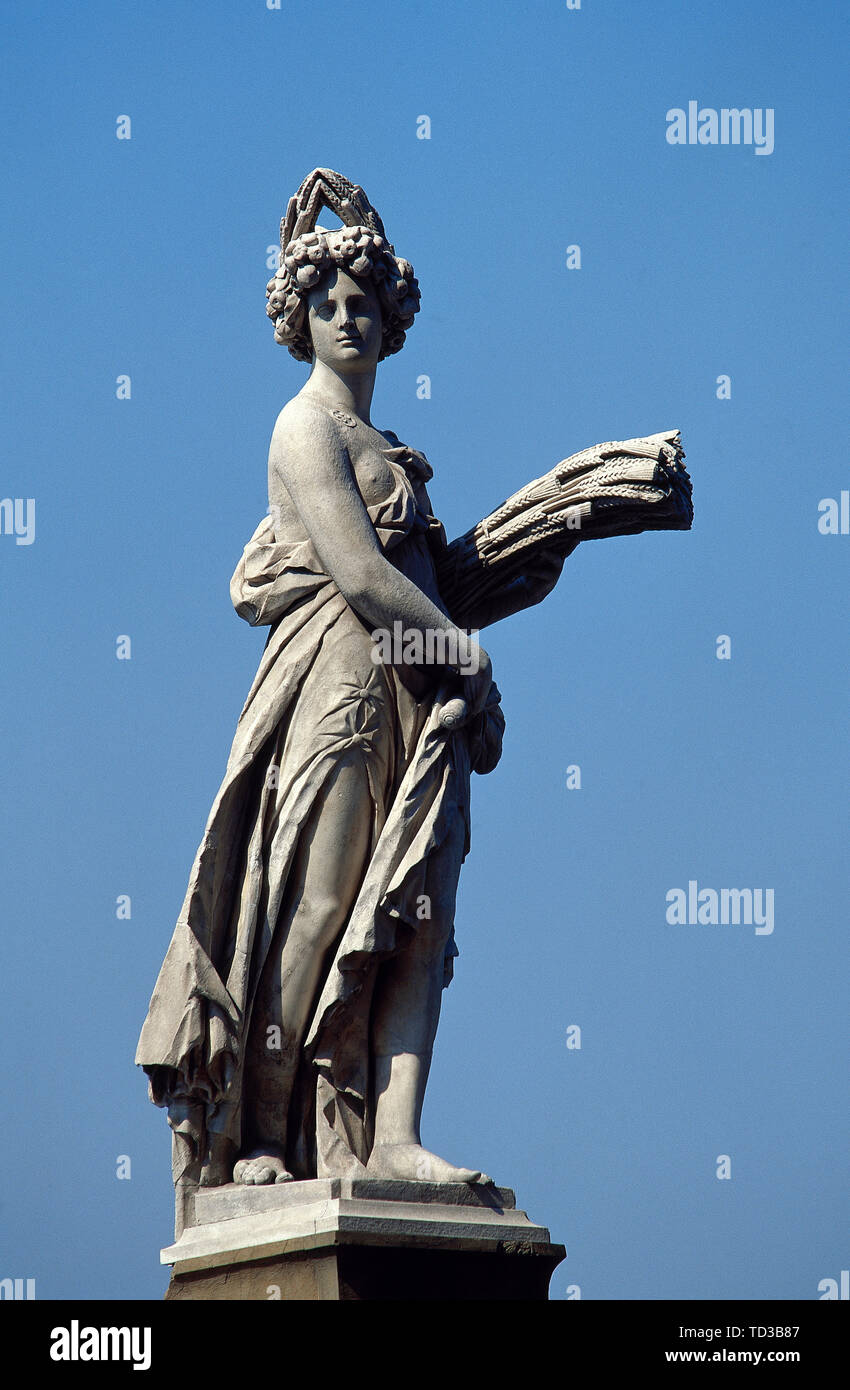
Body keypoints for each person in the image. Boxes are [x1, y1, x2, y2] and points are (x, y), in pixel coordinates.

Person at [136, 170, 564, 1199]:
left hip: (420, 699)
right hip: (337, 690)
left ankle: (394, 1137)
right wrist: (466, 650)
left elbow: (417, 578)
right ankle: (262, 1133)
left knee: (415, 914)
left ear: (391, 319)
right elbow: (362, 574)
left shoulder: (392, 450)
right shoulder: (303, 427)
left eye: (362, 304)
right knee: (320, 904)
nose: (346, 318)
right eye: (326, 305)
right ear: (299, 322)